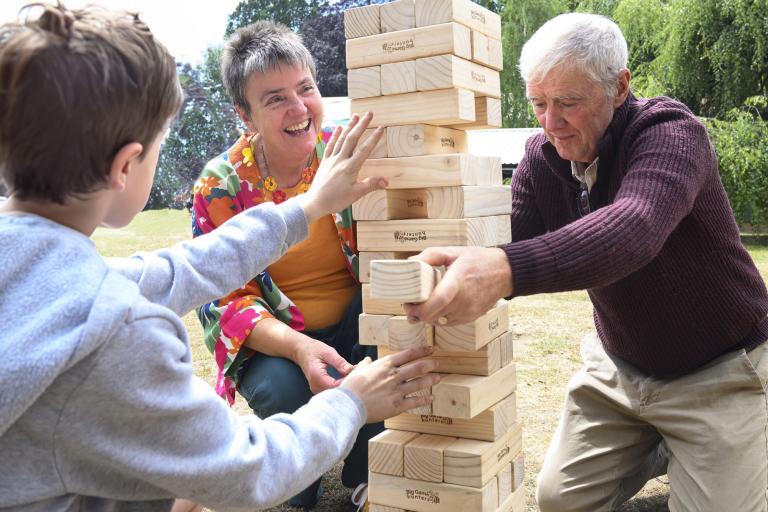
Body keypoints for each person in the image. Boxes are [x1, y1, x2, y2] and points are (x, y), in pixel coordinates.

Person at [0, 4, 441, 511]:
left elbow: (183, 269)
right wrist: (353, 401)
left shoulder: (41, 265)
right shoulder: (118, 334)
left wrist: (312, 204)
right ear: (126, 164)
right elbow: (245, 472)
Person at [404, 12, 768, 512]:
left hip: (721, 369)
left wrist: (505, 269)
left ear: (619, 87)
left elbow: (634, 227)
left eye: (567, 103)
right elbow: (508, 238)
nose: (551, 123)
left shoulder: (671, 133)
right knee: (558, 500)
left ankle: (690, 444)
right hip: (621, 368)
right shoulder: (543, 157)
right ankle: (662, 442)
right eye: (538, 103)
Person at [191, 21, 380, 509]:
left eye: (306, 89)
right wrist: (301, 350)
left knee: (388, 332)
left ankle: (367, 469)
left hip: (353, 320)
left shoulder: (344, 152)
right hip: (278, 341)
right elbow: (227, 303)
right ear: (244, 114)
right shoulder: (221, 186)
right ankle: (298, 477)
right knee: (283, 387)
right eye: (275, 99)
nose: (299, 110)